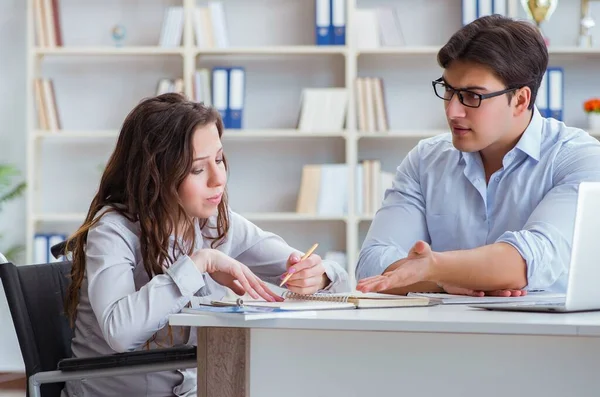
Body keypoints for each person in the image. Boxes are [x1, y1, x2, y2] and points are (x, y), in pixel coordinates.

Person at [60, 93, 350, 397]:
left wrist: (320, 275)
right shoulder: (113, 230)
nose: (218, 179)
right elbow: (120, 333)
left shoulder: (217, 224)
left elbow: (322, 275)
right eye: (198, 169)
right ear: (155, 174)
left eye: (219, 159)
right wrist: (199, 264)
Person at [355, 15, 600, 297]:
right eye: (449, 90)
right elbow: (372, 265)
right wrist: (442, 282)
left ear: (520, 99)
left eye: (473, 96)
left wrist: (433, 266)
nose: (452, 111)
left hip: (549, 336)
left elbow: (526, 262)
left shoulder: (579, 158)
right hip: (445, 334)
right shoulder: (425, 160)